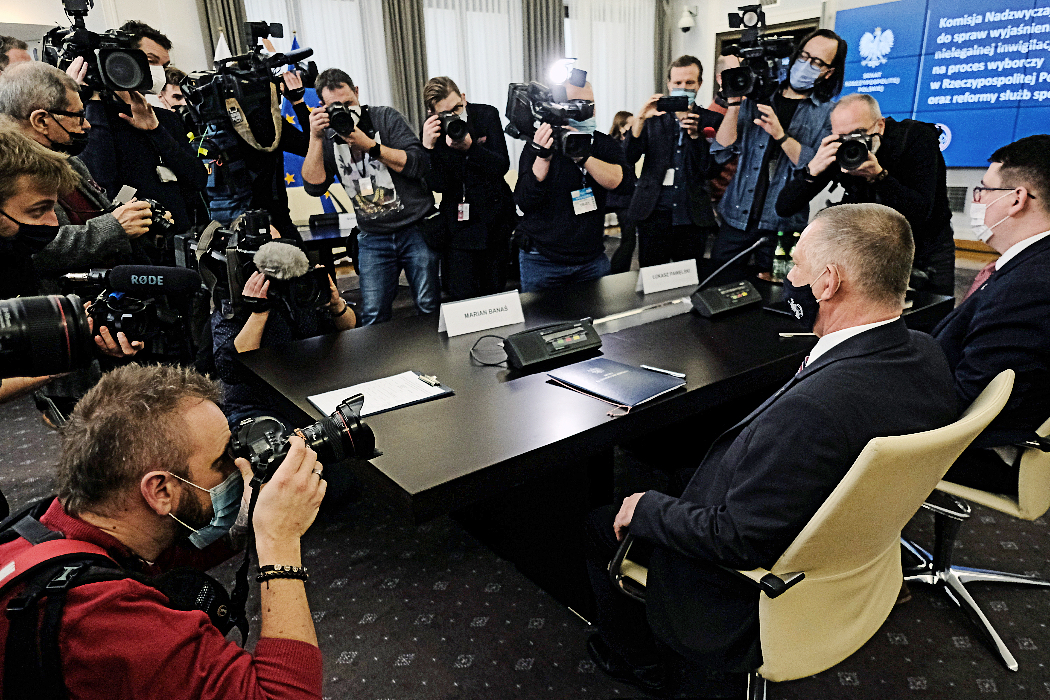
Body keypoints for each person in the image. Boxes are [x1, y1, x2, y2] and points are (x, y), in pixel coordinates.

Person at [585, 202, 956, 697]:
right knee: (680, 465)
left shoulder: (813, 411)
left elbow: (739, 540)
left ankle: (642, 664)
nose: (788, 278)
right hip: (853, 546)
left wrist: (646, 508)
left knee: (602, 524)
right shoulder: (926, 352)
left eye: (796, 266)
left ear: (828, 283)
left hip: (743, 587)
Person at [0, 364, 325, 699]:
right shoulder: (107, 619)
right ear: (160, 490)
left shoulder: (52, 523)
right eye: (222, 461)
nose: (237, 468)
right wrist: (278, 541)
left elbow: (163, 555)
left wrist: (243, 523)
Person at [933, 134, 1050, 495]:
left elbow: (970, 397)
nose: (978, 199)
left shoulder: (1030, 285)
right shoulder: (1028, 266)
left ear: (1016, 199)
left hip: (982, 449)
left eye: (984, 189)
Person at [776, 93, 955, 295]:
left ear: (880, 125)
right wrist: (812, 171)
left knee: (931, 309)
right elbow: (784, 207)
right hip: (872, 250)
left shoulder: (915, 138)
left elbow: (921, 213)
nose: (852, 143)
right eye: (842, 137)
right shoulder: (841, 150)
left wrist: (879, 177)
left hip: (927, 249)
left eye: (859, 133)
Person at [709, 29, 846, 283]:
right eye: (804, 56)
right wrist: (734, 104)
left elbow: (814, 166)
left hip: (783, 226)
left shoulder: (829, 114)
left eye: (817, 62)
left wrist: (781, 136)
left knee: (773, 298)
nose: (806, 65)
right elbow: (721, 151)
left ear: (829, 72)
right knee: (718, 287)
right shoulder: (756, 96)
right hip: (736, 216)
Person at [303, 68, 438, 324]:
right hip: (373, 236)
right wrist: (315, 137)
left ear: (357, 92)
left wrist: (370, 146)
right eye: (335, 107)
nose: (344, 111)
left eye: (348, 103)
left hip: (415, 228)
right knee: (373, 313)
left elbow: (418, 163)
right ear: (322, 106)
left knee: (428, 304)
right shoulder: (327, 136)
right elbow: (314, 187)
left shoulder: (384, 117)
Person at [0, 62, 152, 291]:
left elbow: (101, 214)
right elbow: (33, 248)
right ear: (41, 121)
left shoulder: (70, 160)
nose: (88, 124)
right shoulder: (11, 172)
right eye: (79, 116)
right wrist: (114, 228)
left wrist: (136, 219)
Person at [79, 21, 208, 256]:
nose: (159, 71)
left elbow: (198, 178)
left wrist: (156, 130)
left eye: (164, 65)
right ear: (121, 61)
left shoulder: (165, 118)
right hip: (131, 248)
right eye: (150, 61)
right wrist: (92, 99)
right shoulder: (93, 121)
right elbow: (100, 181)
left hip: (180, 242)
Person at [211, 233, 357, 426]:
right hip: (257, 403)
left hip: (305, 391)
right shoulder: (235, 305)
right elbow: (231, 369)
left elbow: (348, 326)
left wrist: (336, 305)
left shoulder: (300, 289)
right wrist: (259, 312)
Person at [514, 79, 634, 292]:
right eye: (575, 104)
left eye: (589, 104)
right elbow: (524, 200)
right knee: (541, 315)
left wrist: (583, 156)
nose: (585, 111)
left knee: (597, 314)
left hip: (590, 259)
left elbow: (623, 184)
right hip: (542, 259)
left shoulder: (603, 143)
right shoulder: (541, 142)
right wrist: (543, 157)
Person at [421, 76, 515, 300]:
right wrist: (427, 149)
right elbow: (438, 185)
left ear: (463, 97)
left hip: (494, 220)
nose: (454, 116)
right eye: (446, 113)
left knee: (495, 293)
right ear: (432, 113)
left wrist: (471, 148)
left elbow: (501, 165)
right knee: (462, 296)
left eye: (457, 108)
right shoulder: (433, 131)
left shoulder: (486, 114)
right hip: (458, 227)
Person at [625, 55, 722, 268]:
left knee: (689, 277)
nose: (683, 87)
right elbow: (628, 158)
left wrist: (696, 137)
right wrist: (639, 119)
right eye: (677, 82)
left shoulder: (712, 120)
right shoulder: (654, 118)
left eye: (689, 82)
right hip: (653, 212)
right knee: (651, 275)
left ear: (699, 84)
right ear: (669, 84)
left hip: (692, 215)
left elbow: (711, 170)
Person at [606, 110, 637, 274]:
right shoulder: (612, 144)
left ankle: (619, 271)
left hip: (623, 196)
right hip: (616, 196)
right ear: (622, 127)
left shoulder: (629, 144)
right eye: (632, 125)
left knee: (629, 239)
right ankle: (616, 272)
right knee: (629, 239)